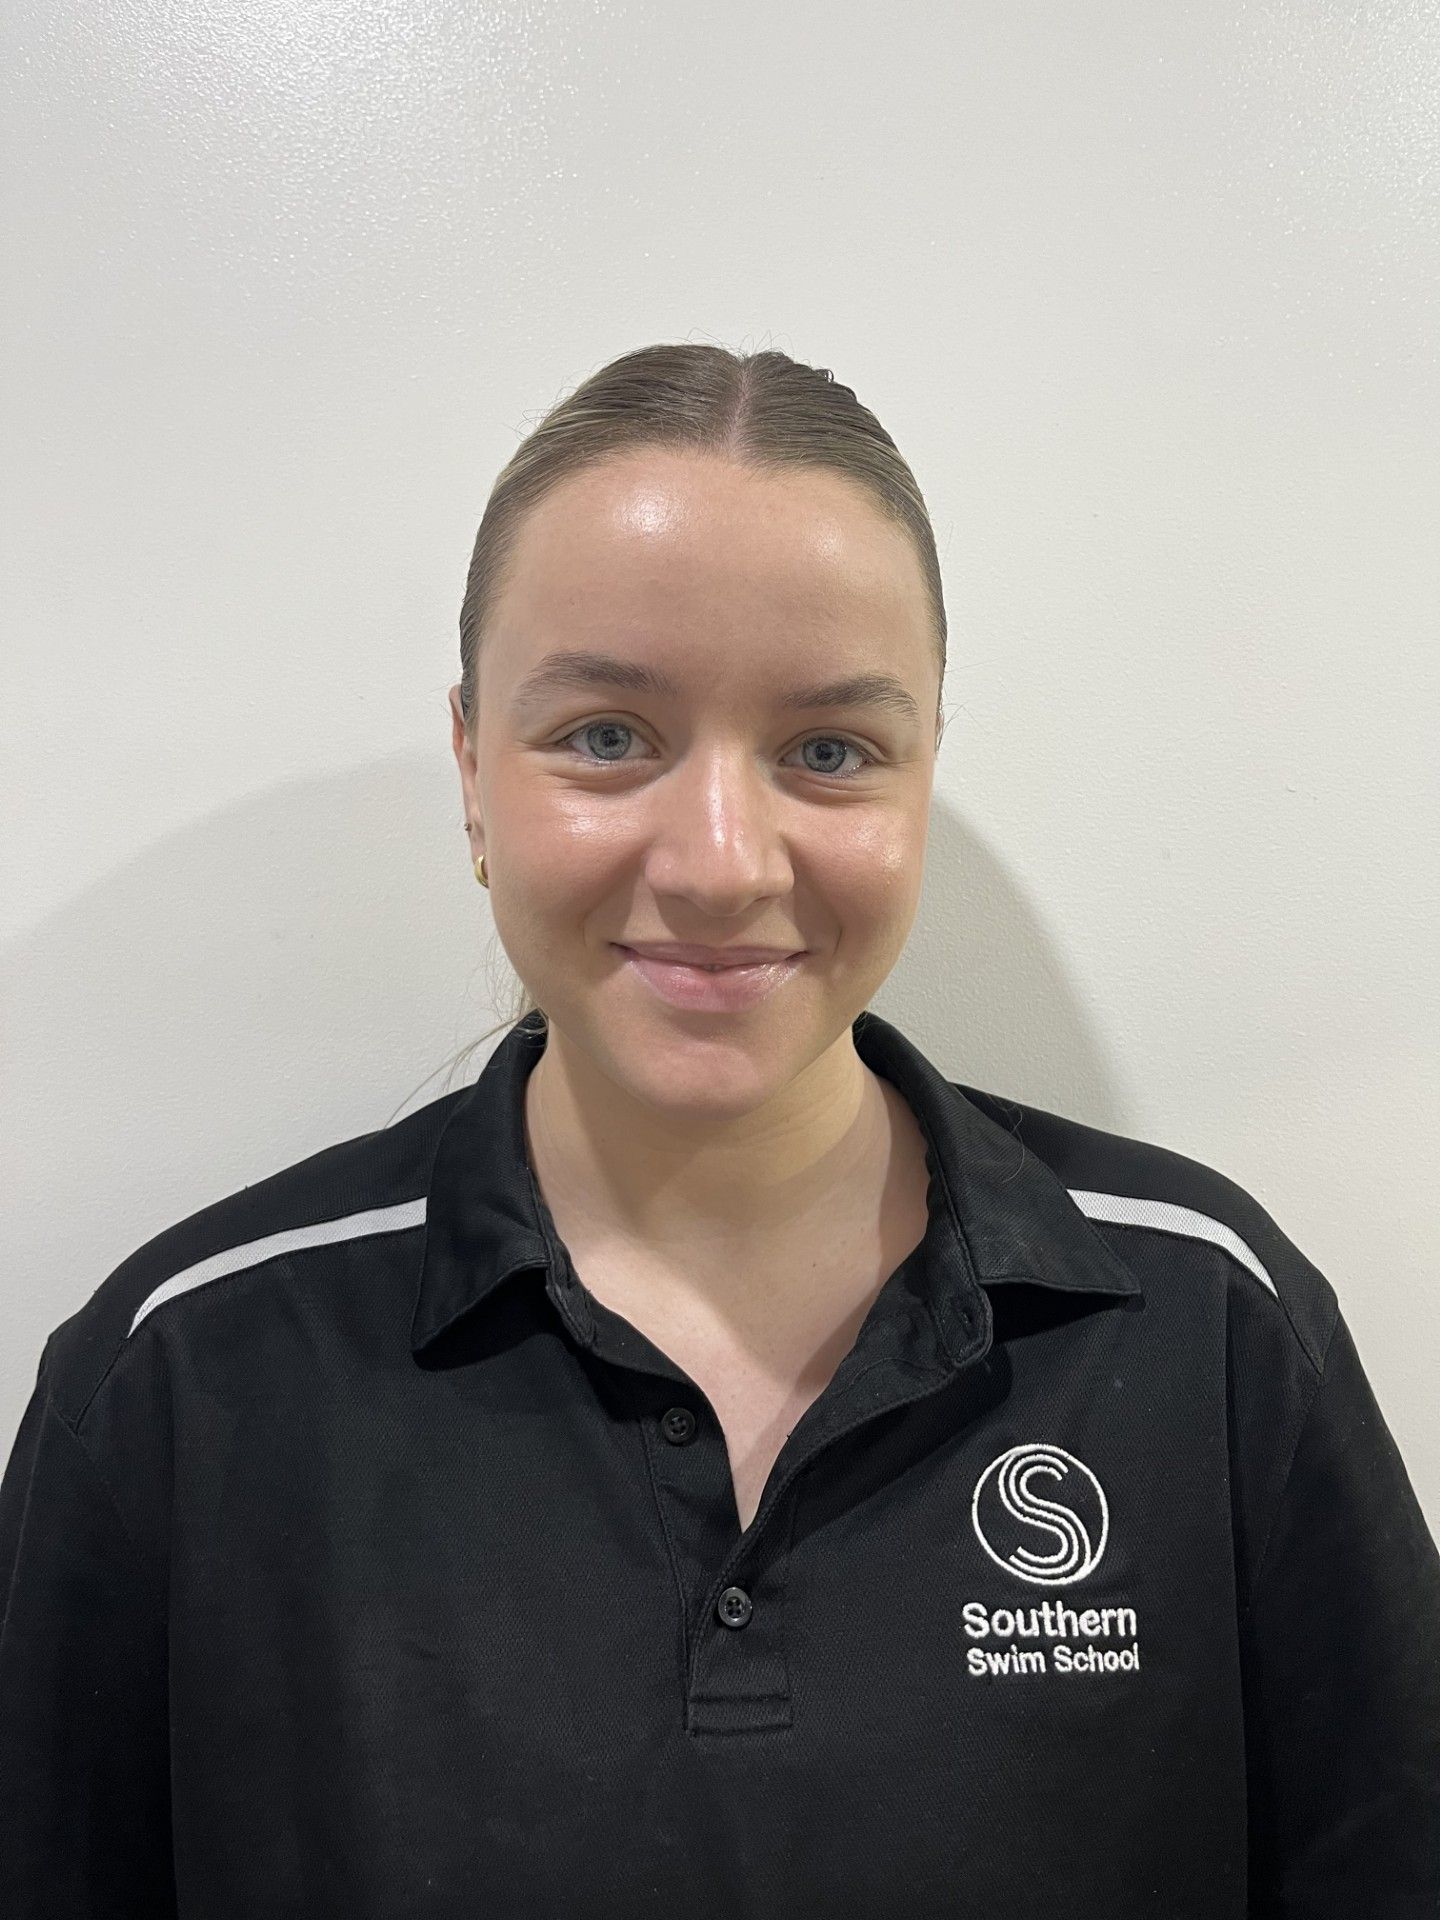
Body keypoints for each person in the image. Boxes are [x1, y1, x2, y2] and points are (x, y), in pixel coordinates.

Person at [1, 343, 1436, 1917]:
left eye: (828, 750)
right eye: (608, 735)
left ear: (924, 770)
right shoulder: (179, 1380)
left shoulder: (1210, 1325)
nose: (721, 861)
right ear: (473, 767)